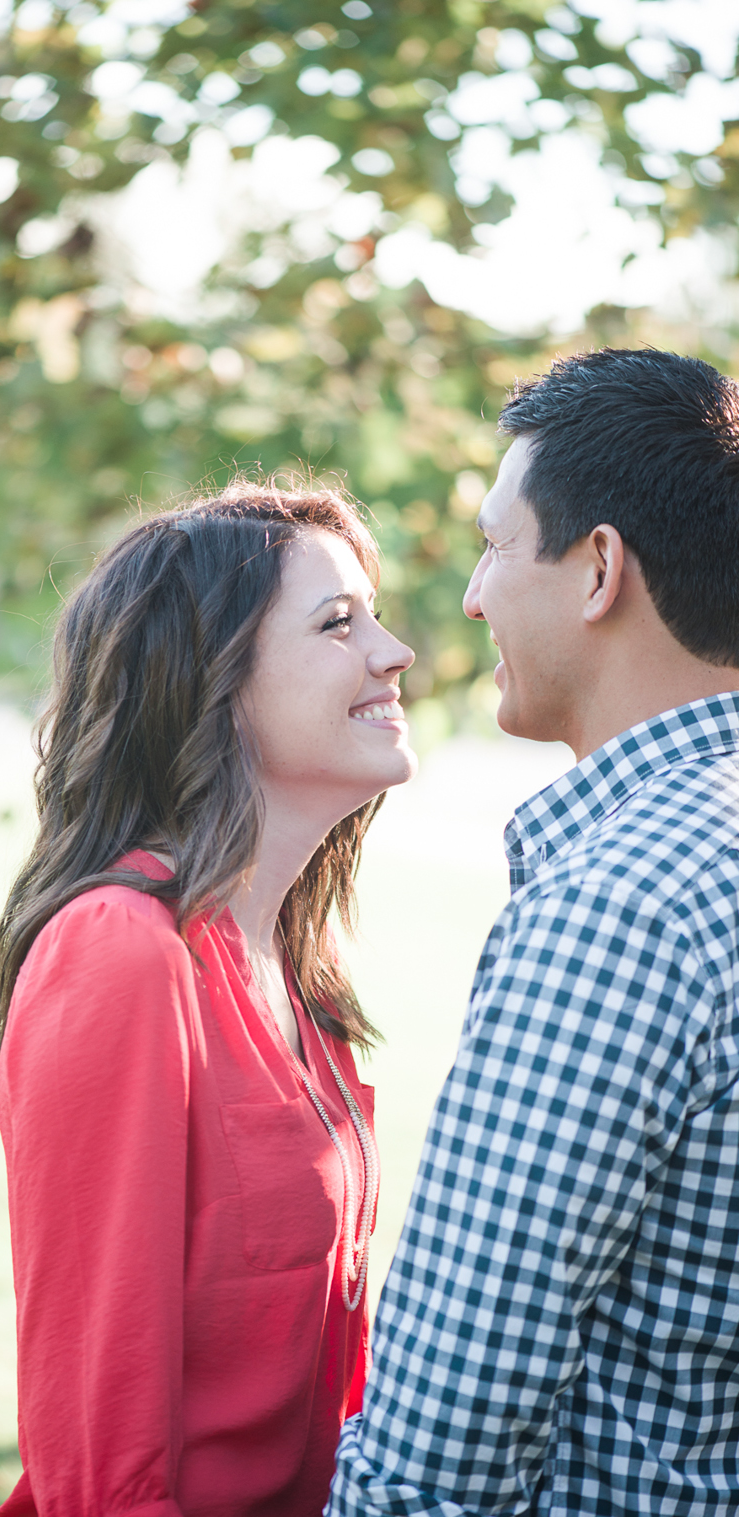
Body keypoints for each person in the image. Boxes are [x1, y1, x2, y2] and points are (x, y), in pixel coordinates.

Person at [329, 349, 739, 1515]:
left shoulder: (621, 907)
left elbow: (442, 1429)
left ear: (597, 566)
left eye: (495, 544)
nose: (468, 594)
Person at [0, 482, 417, 1516]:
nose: (394, 650)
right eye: (335, 623)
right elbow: (100, 1448)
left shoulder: (295, 968)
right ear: (214, 680)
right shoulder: (119, 953)